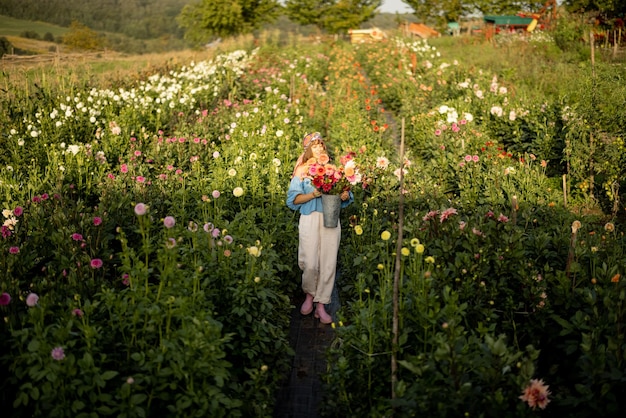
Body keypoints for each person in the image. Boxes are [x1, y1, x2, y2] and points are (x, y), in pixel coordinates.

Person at [286, 132, 353, 324]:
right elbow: (293, 200)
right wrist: (313, 194)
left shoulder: (332, 169)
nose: (319, 148)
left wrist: (345, 195)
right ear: (308, 150)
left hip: (330, 218)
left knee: (328, 261)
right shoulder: (301, 171)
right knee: (310, 262)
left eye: (321, 145)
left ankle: (321, 304)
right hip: (309, 218)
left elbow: (346, 192)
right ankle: (309, 295)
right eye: (314, 146)